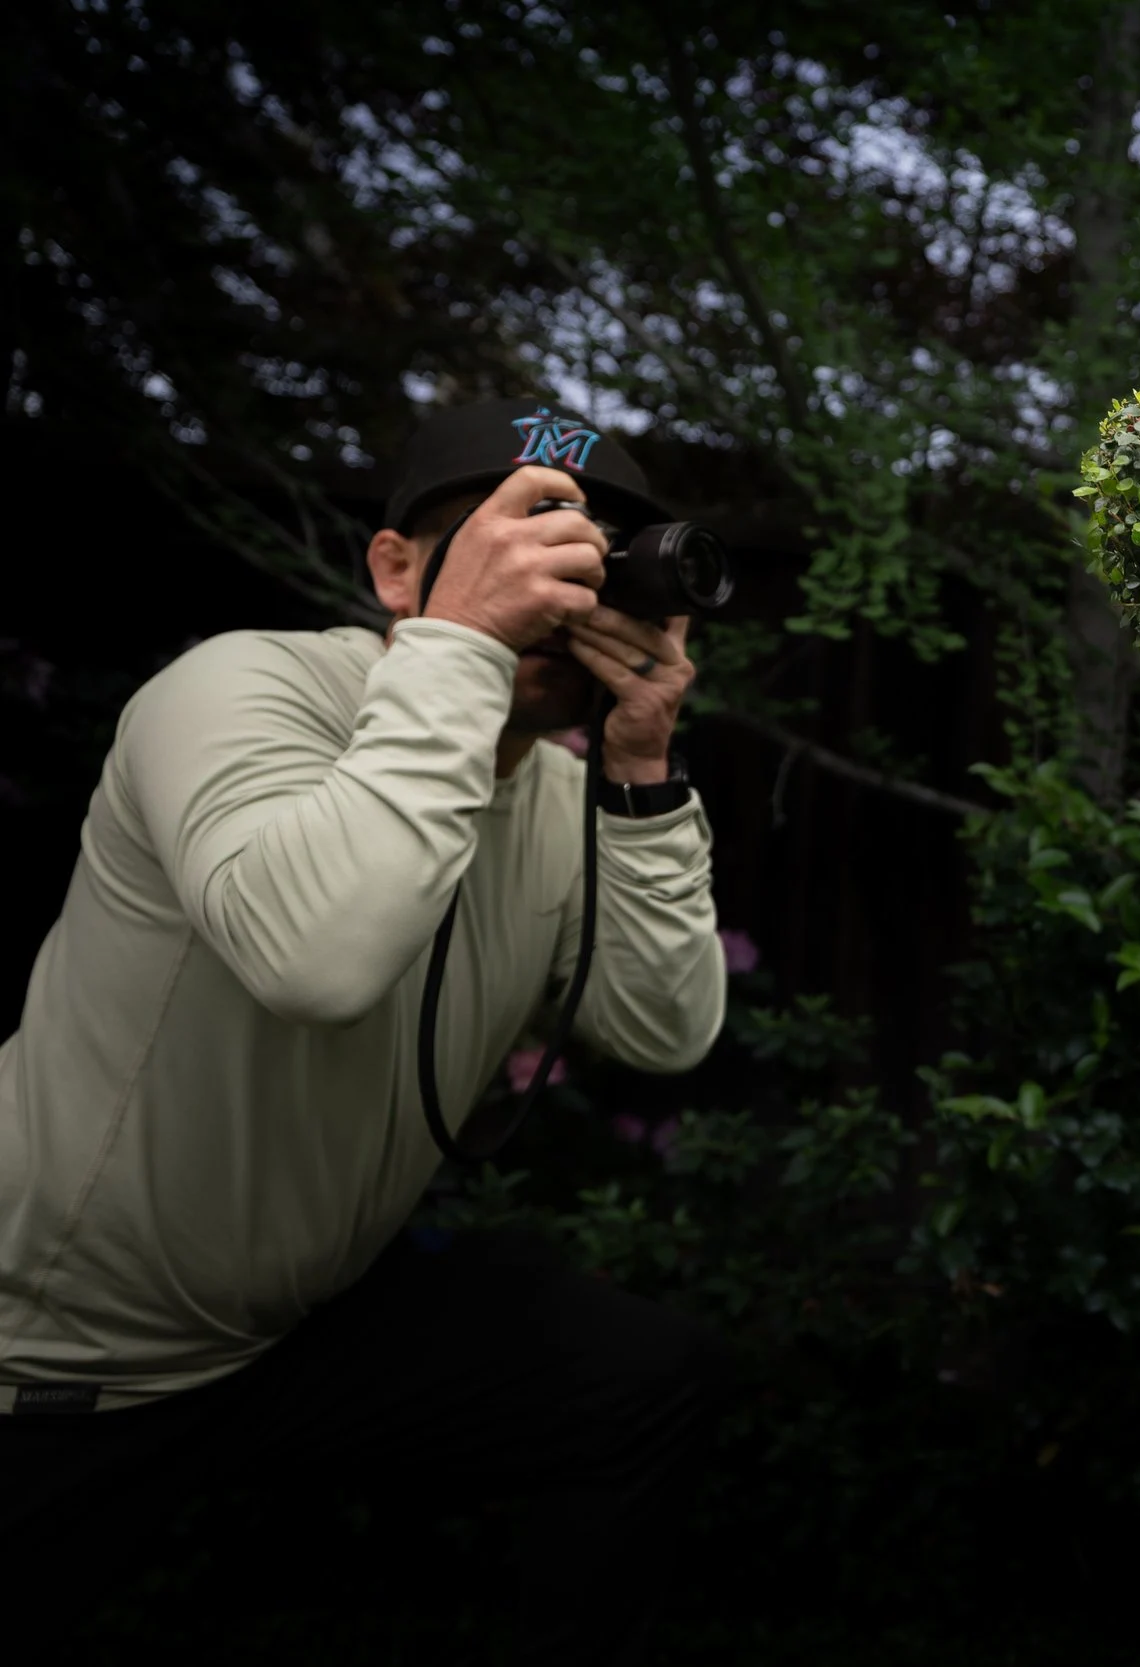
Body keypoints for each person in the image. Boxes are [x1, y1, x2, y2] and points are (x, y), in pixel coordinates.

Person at [0, 399, 731, 1660]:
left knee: (637, 1380)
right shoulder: (241, 687)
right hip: (59, 1360)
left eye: (592, 556)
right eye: (516, 539)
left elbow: (660, 1031)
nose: (559, 586)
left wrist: (643, 768)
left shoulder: (568, 789)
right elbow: (318, 957)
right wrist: (461, 643)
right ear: (395, 567)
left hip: (293, 1330)